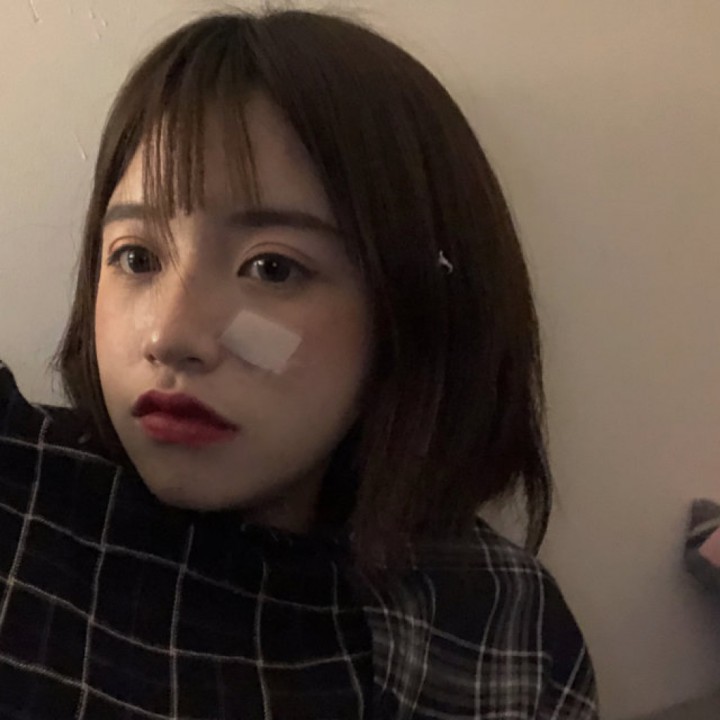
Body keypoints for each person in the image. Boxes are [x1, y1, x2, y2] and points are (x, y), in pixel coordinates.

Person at [0, 8, 598, 719]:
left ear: (412, 311)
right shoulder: (20, 489)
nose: (170, 334)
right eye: (136, 257)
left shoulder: (497, 628)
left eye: (273, 269)